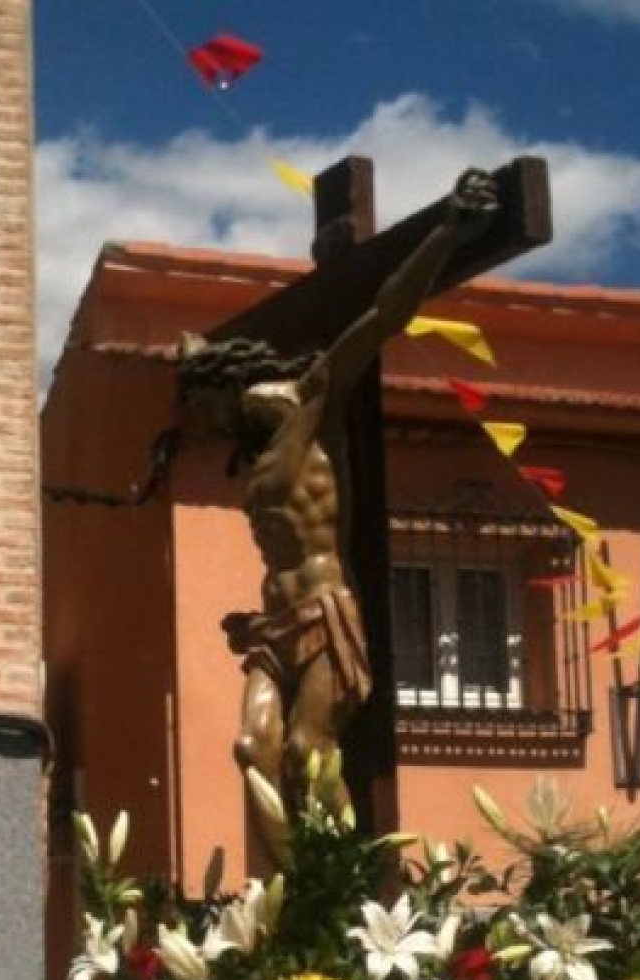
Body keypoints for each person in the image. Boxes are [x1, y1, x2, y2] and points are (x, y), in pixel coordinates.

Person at [176, 168, 498, 827]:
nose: (197, 422)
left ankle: (338, 886)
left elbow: (382, 316)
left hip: (325, 614)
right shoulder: (250, 464)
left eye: (200, 404)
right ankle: (290, 905)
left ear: (226, 386)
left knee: (306, 752)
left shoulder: (311, 409)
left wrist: (447, 233)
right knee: (250, 748)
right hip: (274, 626)